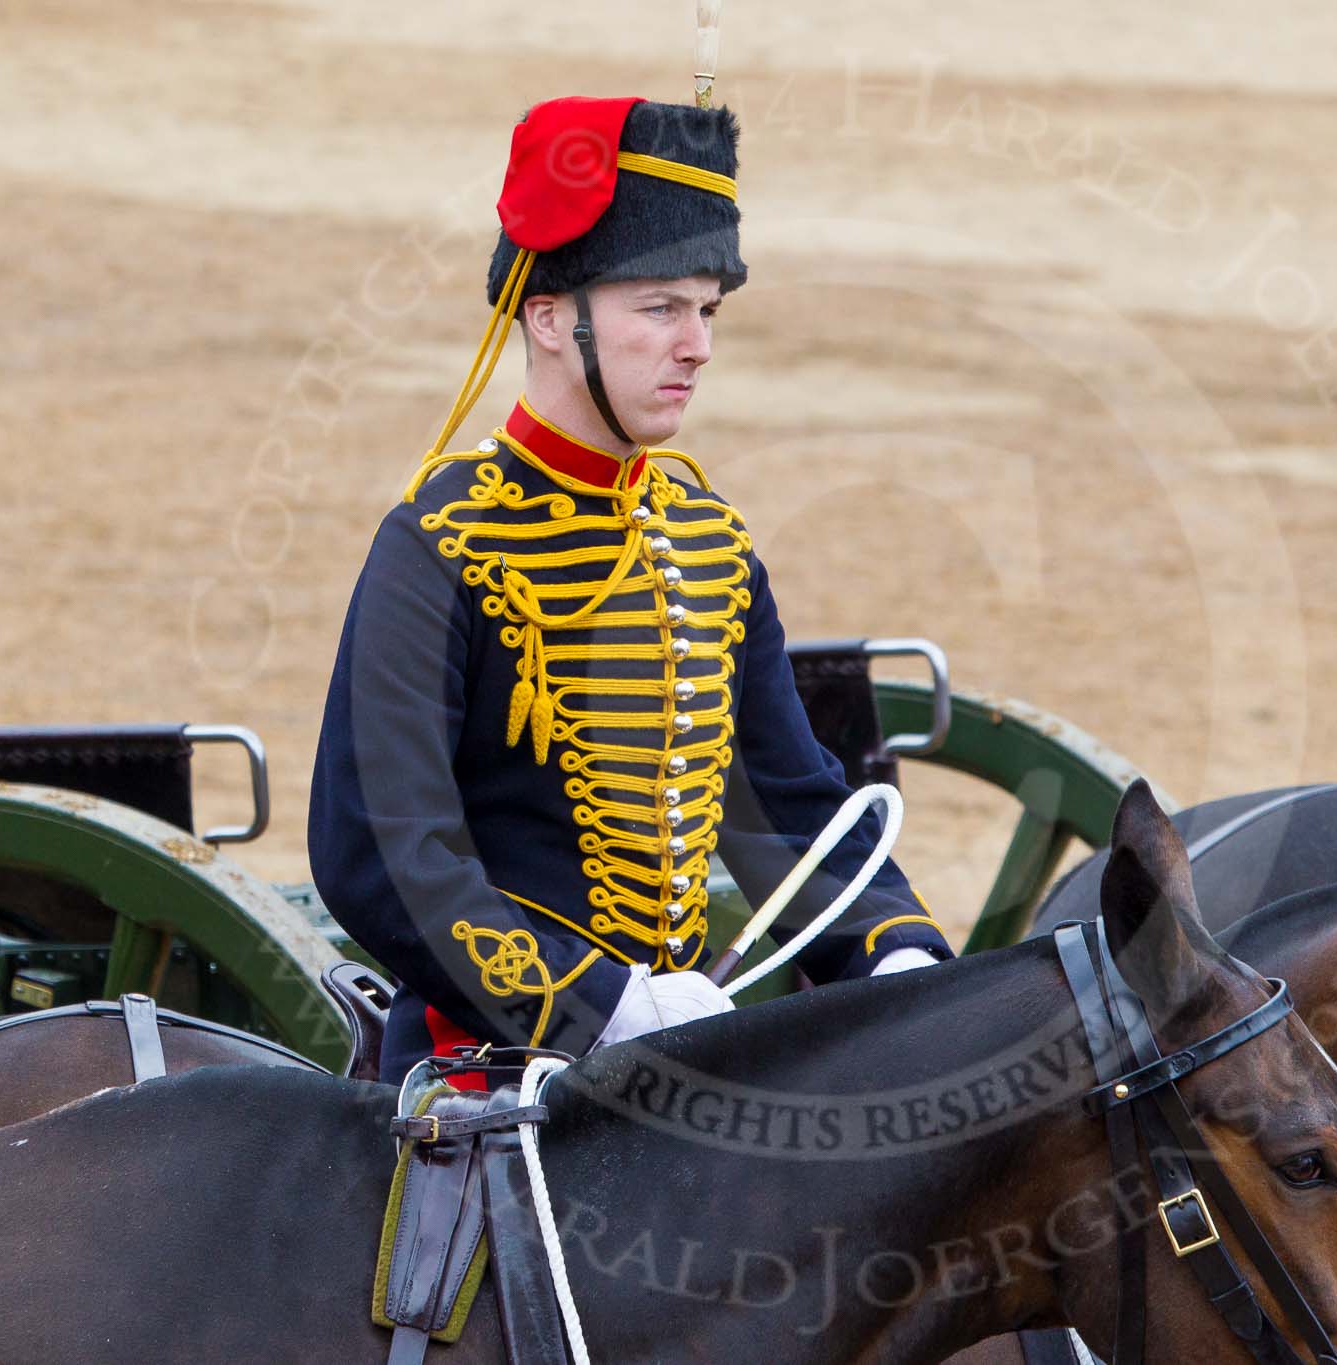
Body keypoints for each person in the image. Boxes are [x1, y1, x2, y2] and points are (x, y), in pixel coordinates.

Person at [309, 96, 950, 1082]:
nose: (696, 346)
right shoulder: (440, 544)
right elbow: (382, 853)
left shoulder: (709, 542)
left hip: (675, 1066)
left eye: (706, 311)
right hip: (488, 1070)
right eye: (658, 309)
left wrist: (892, 950)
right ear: (551, 315)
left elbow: (786, 804)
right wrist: (597, 1006)